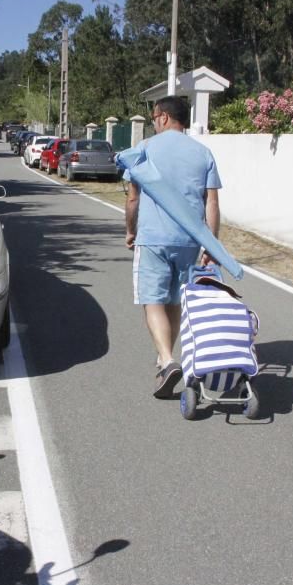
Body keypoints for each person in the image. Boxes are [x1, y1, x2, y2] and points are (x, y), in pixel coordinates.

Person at [122, 95, 223, 398]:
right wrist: (211, 245)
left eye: (153, 118)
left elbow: (132, 198)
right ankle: (165, 357)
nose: (153, 123)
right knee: (176, 300)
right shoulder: (203, 152)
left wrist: (129, 231)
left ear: (163, 117)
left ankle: (167, 359)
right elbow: (213, 204)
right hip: (190, 241)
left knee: (152, 300)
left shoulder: (144, 150)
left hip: (153, 237)